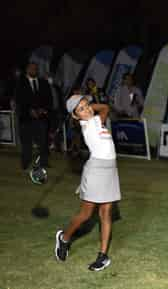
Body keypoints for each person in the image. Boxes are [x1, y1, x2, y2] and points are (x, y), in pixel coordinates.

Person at [55, 94, 121, 271]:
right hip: (96, 171)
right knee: (86, 214)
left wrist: (89, 105)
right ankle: (65, 238)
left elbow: (106, 107)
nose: (88, 109)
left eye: (87, 105)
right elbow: (104, 108)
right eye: (81, 109)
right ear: (76, 117)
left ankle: (103, 256)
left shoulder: (97, 121)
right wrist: (88, 108)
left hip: (110, 170)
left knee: (106, 214)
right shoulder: (88, 124)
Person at [15, 62, 52, 170]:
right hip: (26, 119)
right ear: (27, 70)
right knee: (26, 143)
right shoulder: (20, 83)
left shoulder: (43, 82)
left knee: (43, 143)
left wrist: (43, 110)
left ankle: (44, 162)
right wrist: (28, 110)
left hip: (41, 118)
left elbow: (49, 99)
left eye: (36, 68)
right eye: (32, 68)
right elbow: (18, 100)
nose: (34, 70)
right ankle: (25, 163)